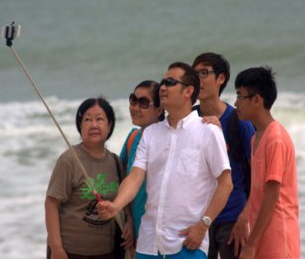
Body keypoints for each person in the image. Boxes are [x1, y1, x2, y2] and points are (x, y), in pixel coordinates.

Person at [98, 62, 233, 259]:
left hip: (188, 243)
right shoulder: (150, 134)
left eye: (170, 82)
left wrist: (204, 224)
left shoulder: (208, 131)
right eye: (162, 82)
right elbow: (135, 178)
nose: (162, 87)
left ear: (188, 91)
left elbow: (226, 184)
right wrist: (116, 206)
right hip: (148, 244)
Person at [45, 97, 133, 259]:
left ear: (110, 125)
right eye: (87, 119)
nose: (94, 125)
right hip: (70, 251)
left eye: (100, 119)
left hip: (106, 252)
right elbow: (51, 204)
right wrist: (56, 248)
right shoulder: (69, 159)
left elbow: (124, 201)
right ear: (80, 125)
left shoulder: (115, 161)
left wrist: (129, 225)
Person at [191, 52, 255, 259]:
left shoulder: (240, 122)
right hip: (198, 217)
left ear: (221, 79)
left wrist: (245, 218)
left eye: (204, 73)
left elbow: (257, 173)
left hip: (232, 219)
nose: (197, 79)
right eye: (194, 74)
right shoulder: (189, 119)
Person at [234, 67, 300, 259]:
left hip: (279, 238)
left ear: (257, 100)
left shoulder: (275, 138)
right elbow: (257, 192)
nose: (236, 103)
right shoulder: (256, 138)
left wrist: (251, 244)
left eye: (240, 96)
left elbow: (272, 194)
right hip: (261, 235)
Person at [120, 80, 165, 240]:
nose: (135, 108)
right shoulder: (132, 137)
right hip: (137, 231)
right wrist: (129, 219)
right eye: (133, 100)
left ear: (159, 110)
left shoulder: (169, 141)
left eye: (144, 103)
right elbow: (123, 181)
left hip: (164, 235)